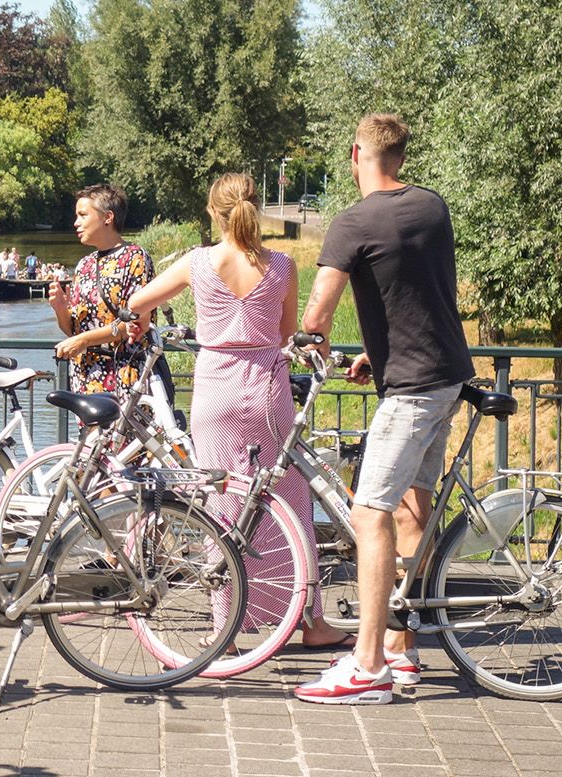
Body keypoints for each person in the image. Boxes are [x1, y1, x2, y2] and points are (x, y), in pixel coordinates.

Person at [125, 173, 353, 650]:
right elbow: (287, 334)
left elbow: (136, 302)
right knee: (289, 503)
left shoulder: (198, 262)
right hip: (268, 395)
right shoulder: (283, 267)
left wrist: (139, 323)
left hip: (215, 395)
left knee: (222, 509)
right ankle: (308, 621)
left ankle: (224, 630)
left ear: (214, 212)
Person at [295, 113, 474, 705]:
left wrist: (304, 343)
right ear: (399, 154)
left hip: (413, 392)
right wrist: (380, 353)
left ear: (356, 154)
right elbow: (412, 290)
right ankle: (403, 650)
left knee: (368, 512)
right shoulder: (432, 206)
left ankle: (365, 665)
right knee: (409, 509)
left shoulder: (353, 222)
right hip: (447, 375)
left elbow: (317, 317)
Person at [49, 184, 154, 392]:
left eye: (83, 215)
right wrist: (61, 310)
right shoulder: (84, 265)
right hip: (85, 380)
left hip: (126, 379)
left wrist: (83, 339)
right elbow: (73, 331)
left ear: (108, 217)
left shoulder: (135, 258)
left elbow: (134, 323)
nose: (76, 223)